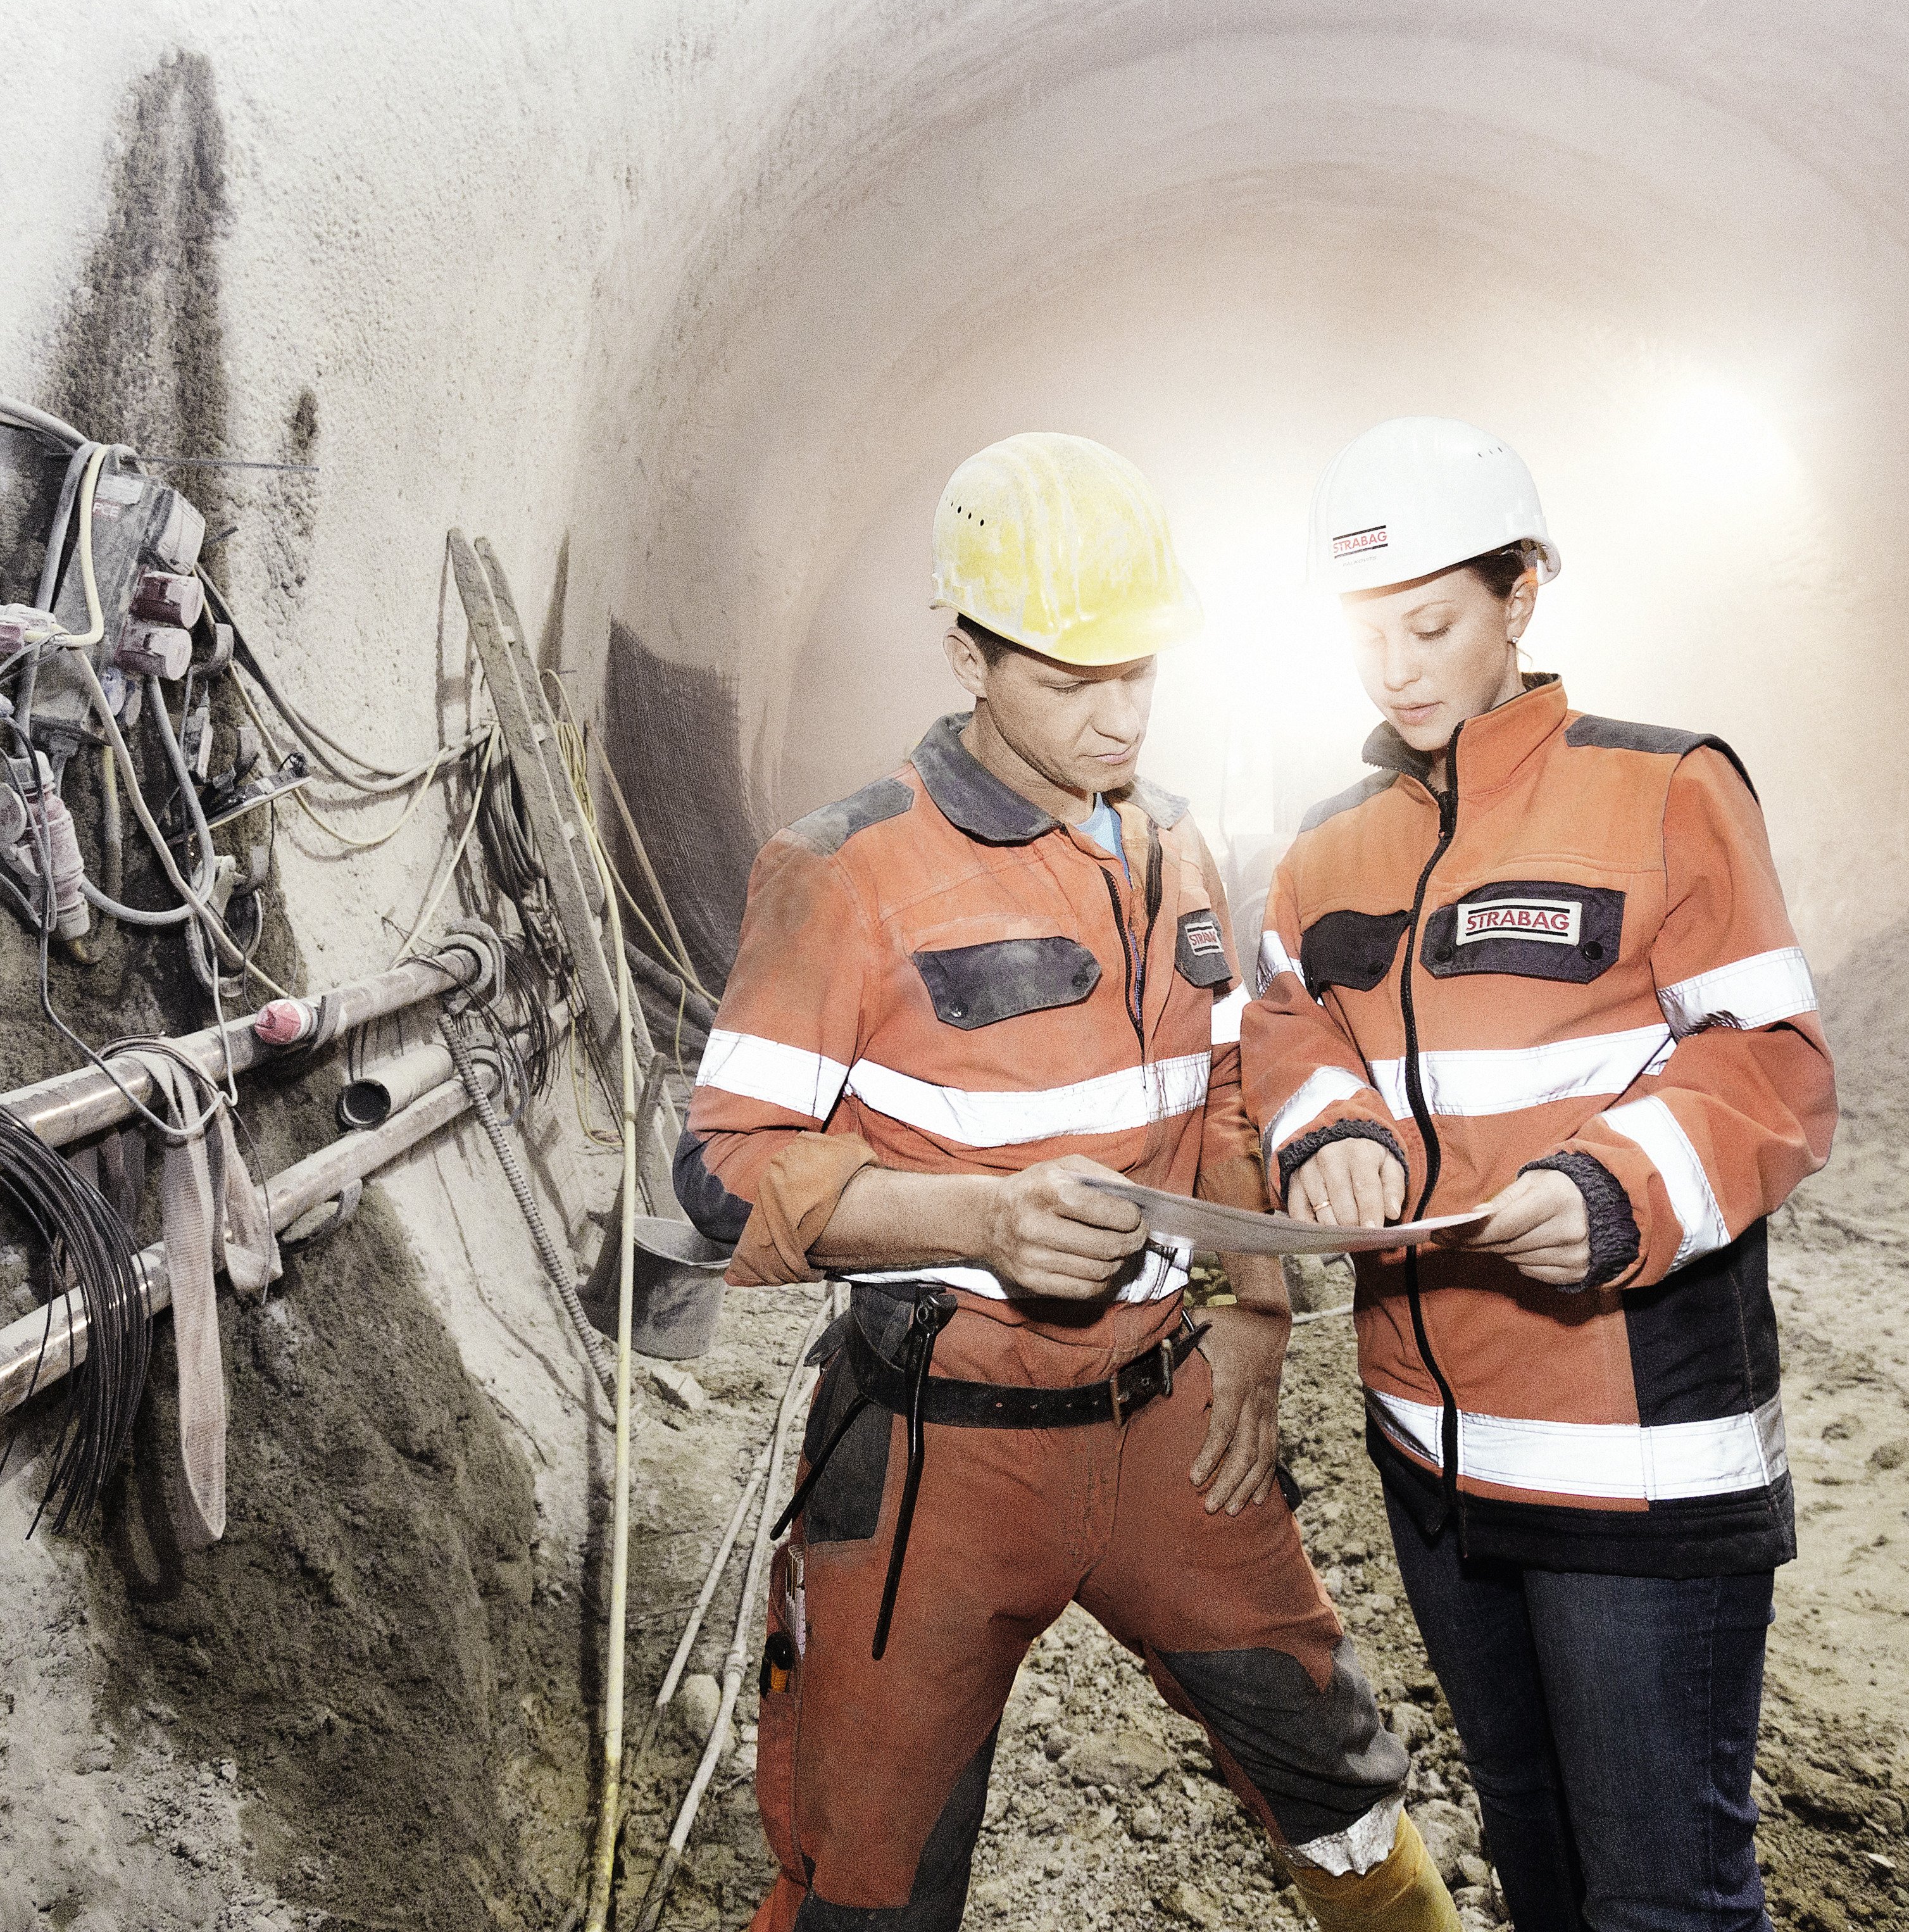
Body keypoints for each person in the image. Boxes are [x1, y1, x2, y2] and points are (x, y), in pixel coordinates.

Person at [679, 431, 1458, 1932]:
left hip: (1168, 1427)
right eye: (1072, 678)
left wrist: (1256, 1311)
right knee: (868, 1875)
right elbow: (722, 1173)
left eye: (1143, 672)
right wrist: (981, 1220)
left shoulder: (1174, 846)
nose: (1122, 717)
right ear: (968, 654)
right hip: (936, 1458)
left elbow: (1226, 1097)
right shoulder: (844, 869)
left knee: (1342, 1781)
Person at [1244, 415, 1837, 1932]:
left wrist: (1615, 1189)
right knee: (1541, 1861)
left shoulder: (1666, 788)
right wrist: (1330, 1133)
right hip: (1435, 1464)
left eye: (1433, 621)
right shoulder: (1326, 849)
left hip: (1629, 1463)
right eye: (1366, 631)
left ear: (1521, 596)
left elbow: (1773, 1068)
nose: (1397, 666)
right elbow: (1288, 1023)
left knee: (1662, 1897)